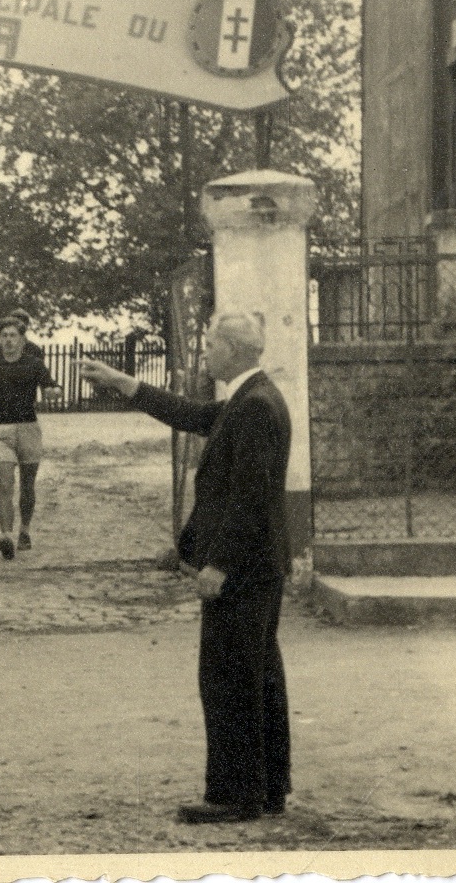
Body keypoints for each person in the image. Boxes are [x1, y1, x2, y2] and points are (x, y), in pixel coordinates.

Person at [78, 311, 291, 825]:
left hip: (241, 566)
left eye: (213, 343)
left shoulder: (254, 406)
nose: (206, 351)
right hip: (258, 563)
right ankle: (265, 788)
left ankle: (234, 795)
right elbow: (192, 414)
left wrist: (219, 564)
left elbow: (250, 496)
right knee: (257, 676)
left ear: (236, 350)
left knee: (227, 679)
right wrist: (126, 385)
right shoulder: (250, 397)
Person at [0, 316, 58, 559]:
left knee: (28, 485)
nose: (9, 340)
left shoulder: (34, 364)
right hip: (0, 432)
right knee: (5, 485)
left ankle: (25, 530)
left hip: (28, 429)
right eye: (5, 335)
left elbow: (50, 387)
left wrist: (53, 392)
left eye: (13, 335)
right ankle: (6, 536)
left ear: (22, 338)